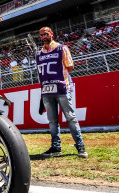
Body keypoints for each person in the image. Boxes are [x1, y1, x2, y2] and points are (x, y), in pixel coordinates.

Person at [35, 27, 87, 158]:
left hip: (62, 89)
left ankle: (80, 146)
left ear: (52, 34)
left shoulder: (61, 48)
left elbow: (70, 66)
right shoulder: (38, 54)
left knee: (71, 118)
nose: (44, 37)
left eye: (46, 34)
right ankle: (55, 147)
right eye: (41, 35)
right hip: (47, 91)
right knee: (52, 121)